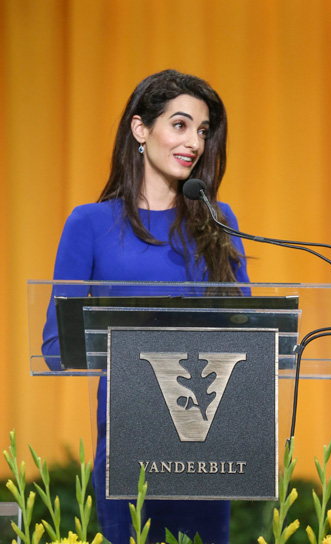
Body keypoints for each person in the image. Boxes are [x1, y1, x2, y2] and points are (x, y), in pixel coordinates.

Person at [43, 69, 249, 544]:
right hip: (128, 443)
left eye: (202, 130)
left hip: (207, 440)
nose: (194, 142)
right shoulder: (90, 223)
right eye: (180, 124)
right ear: (140, 129)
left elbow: (248, 331)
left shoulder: (219, 221)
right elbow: (56, 346)